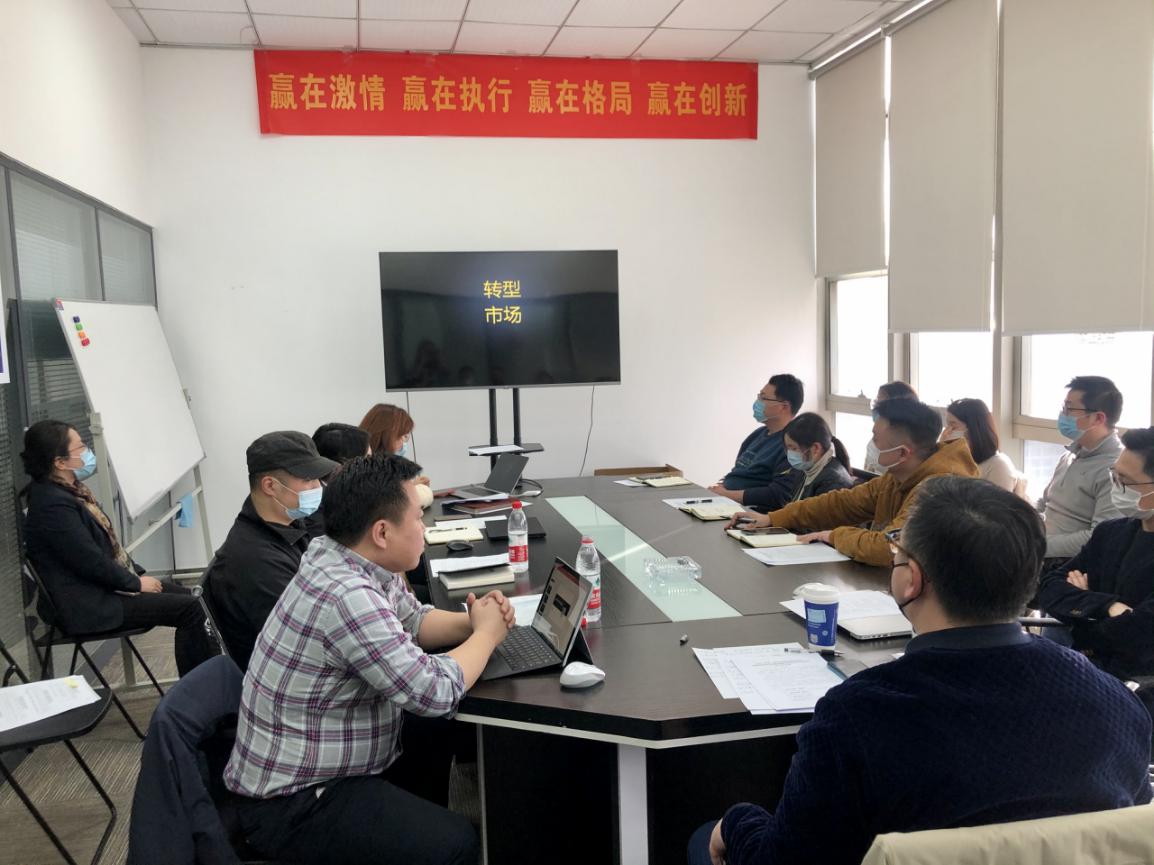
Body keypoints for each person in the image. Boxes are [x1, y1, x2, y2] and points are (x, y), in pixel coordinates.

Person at [690, 477, 1153, 865]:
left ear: (910, 579)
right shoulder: (1116, 701)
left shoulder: (859, 714)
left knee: (703, 836)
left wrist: (736, 823)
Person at [224, 454, 514, 865]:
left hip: (321, 757)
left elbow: (414, 621)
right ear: (382, 532)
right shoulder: (348, 596)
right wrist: (486, 634)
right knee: (456, 843)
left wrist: (473, 620)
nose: (424, 528)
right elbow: (434, 691)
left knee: (437, 729)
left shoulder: (343, 555)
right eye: (418, 519)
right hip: (294, 802)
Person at [20, 420, 212, 676]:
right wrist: (135, 584)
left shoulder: (71, 493)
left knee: (198, 599)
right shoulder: (52, 506)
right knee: (191, 610)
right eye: (80, 447)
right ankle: (198, 690)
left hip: (105, 589)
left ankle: (214, 678)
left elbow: (106, 550)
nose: (87, 451)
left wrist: (137, 576)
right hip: (89, 605)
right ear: (60, 462)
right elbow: (89, 561)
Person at [730, 399, 978, 566]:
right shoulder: (896, 477)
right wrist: (773, 518)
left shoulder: (940, 488)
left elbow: (890, 547)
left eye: (876, 439)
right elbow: (843, 503)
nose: (871, 445)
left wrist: (833, 536)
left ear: (903, 453)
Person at [200, 431, 337, 671]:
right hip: (290, 674)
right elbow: (309, 638)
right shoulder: (255, 561)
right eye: (308, 479)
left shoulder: (289, 525)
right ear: (270, 486)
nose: (318, 487)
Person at [1032, 427, 1154, 680]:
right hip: (1088, 670)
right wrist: (1108, 605)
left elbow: (1139, 635)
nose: (1116, 486)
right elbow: (1050, 587)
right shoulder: (1111, 532)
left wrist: (1081, 610)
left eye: (1125, 480)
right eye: (1114, 475)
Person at [1038, 376, 1123, 560]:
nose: (1063, 415)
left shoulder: (1116, 469)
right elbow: (1044, 503)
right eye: (1063, 407)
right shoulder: (1069, 455)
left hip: (1064, 561)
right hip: (1039, 547)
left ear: (1098, 418)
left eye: (1070, 409)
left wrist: (1038, 546)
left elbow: (1100, 537)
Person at [709, 374, 804, 509]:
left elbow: (778, 495)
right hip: (726, 502)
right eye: (759, 396)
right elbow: (739, 472)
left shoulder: (792, 446)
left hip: (751, 511)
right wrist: (720, 488)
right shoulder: (757, 435)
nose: (758, 402)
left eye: (763, 398)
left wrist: (726, 495)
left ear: (784, 406)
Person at [942, 398, 1025, 496]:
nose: (946, 432)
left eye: (953, 426)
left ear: (973, 428)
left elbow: (998, 504)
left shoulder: (997, 466)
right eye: (947, 425)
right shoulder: (955, 459)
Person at [781, 413, 853, 502]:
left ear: (816, 449)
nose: (789, 453)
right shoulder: (806, 470)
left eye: (794, 448)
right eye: (788, 448)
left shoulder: (832, 483)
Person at [359, 403, 431, 486]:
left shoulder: (365, 464)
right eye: (402, 436)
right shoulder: (371, 471)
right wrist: (415, 489)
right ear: (385, 436)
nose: (403, 443)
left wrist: (413, 485)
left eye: (406, 437)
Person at [863, 382, 919, 472]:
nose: (876, 408)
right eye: (876, 402)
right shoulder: (879, 436)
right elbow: (868, 471)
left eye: (880, 403)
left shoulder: (910, 446)